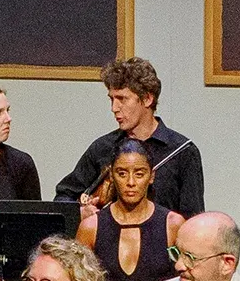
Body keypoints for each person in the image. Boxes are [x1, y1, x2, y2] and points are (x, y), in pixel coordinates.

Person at [55, 55, 204, 219]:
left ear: (147, 99)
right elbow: (63, 197)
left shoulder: (182, 152)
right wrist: (80, 213)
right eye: (112, 99)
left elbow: (193, 219)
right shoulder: (103, 147)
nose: (114, 108)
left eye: (122, 99)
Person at [74, 136, 181, 281]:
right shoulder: (91, 228)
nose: (130, 182)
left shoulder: (172, 224)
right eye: (122, 174)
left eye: (139, 174)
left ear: (151, 176)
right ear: (112, 176)